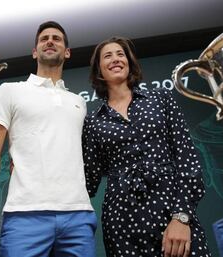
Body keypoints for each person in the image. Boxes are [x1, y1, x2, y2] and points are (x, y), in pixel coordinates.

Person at [0, 21, 96, 257]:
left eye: (57, 38)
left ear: (67, 52)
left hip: (78, 215)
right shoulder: (10, 91)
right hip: (25, 214)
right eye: (43, 38)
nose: (50, 41)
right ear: (35, 51)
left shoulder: (79, 102)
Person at [82, 36, 211, 257]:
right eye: (108, 56)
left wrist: (181, 216)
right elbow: (87, 180)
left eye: (120, 54)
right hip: (121, 224)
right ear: (99, 71)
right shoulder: (93, 121)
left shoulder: (161, 99)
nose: (115, 59)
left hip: (172, 210)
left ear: (129, 63)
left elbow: (187, 159)